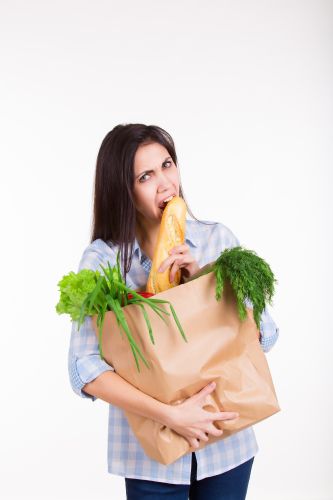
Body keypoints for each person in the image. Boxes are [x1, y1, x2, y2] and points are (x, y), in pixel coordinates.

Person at [68, 123, 279, 499]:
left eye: (168, 165)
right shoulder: (103, 261)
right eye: (146, 176)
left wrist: (205, 281)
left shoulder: (217, 240)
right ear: (123, 190)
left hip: (228, 443)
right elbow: (84, 368)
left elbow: (265, 334)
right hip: (152, 459)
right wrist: (170, 415)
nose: (165, 182)